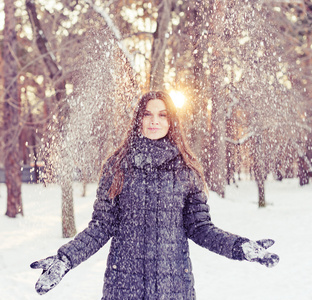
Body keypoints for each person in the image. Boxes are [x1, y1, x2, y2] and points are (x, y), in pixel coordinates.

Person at [31, 91, 279, 299]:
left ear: (172, 122)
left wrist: (239, 247)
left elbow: (200, 228)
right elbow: (101, 226)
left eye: (162, 115)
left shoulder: (186, 169)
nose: (154, 121)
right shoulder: (117, 166)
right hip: (123, 286)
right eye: (147, 114)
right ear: (138, 119)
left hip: (173, 287)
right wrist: (66, 259)